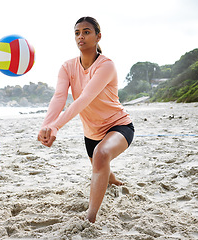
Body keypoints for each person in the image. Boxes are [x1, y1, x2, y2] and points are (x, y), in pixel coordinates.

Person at [37, 17, 134, 223]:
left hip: (119, 125)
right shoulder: (67, 67)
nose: (81, 36)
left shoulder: (106, 65)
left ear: (98, 36)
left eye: (87, 32)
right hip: (91, 133)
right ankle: (113, 179)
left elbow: (84, 99)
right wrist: (47, 125)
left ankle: (90, 217)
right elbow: (59, 97)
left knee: (101, 155)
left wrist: (57, 126)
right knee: (100, 164)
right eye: (77, 32)